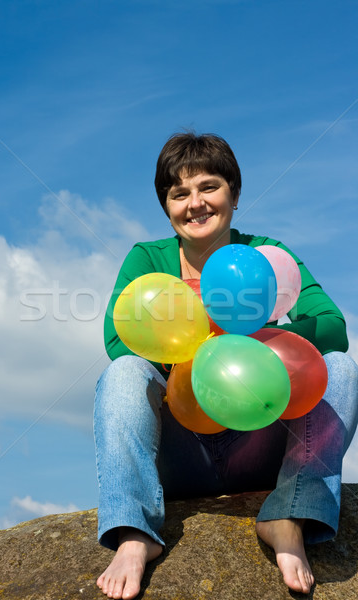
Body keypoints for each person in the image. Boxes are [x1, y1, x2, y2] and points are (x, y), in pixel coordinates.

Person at [94, 132, 358, 599]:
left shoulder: (267, 254)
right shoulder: (147, 259)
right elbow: (119, 340)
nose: (195, 203)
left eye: (209, 187)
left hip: (259, 441)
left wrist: (247, 341)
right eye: (179, 194)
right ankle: (133, 532)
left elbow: (332, 326)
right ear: (167, 207)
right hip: (183, 448)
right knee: (123, 373)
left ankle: (289, 515)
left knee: (341, 367)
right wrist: (201, 347)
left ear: (234, 193)